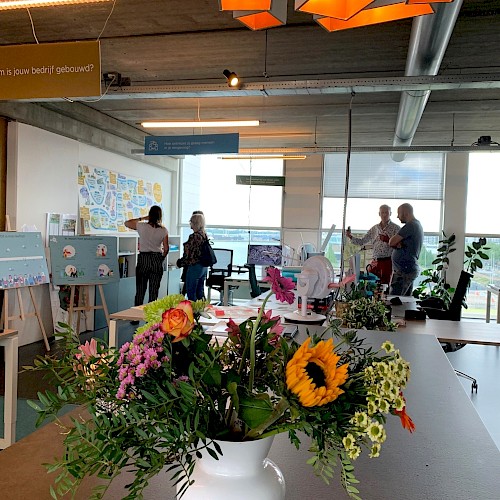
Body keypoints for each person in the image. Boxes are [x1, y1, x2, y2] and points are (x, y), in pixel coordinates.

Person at [125, 205, 169, 309]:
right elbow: (166, 248)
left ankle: (136, 314)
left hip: (143, 259)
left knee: (140, 290)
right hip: (156, 259)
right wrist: (161, 258)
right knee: (153, 291)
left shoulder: (142, 226)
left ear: (150, 215)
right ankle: (151, 316)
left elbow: (127, 223)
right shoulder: (164, 230)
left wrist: (143, 218)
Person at [346, 204, 400, 285]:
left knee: (385, 286)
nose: (384, 215)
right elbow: (362, 241)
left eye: (386, 212)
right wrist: (350, 236)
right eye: (382, 212)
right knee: (371, 285)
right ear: (379, 214)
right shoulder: (374, 228)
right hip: (375, 262)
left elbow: (400, 246)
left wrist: (388, 240)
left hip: (387, 262)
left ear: (390, 213)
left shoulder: (396, 228)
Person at [388, 203, 423, 296]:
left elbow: (391, 242)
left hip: (404, 271)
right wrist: (398, 243)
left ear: (406, 213)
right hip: (406, 269)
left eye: (399, 213)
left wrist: (396, 242)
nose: (397, 216)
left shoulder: (411, 225)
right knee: (404, 301)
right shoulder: (416, 224)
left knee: (394, 300)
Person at [181, 212, 209, 301]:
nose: (190, 224)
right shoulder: (204, 234)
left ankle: (192, 309)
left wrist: (181, 262)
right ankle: (202, 308)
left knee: (191, 292)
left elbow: (189, 254)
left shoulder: (194, 236)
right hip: (203, 267)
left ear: (195, 223)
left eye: (191, 222)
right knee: (200, 292)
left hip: (194, 267)